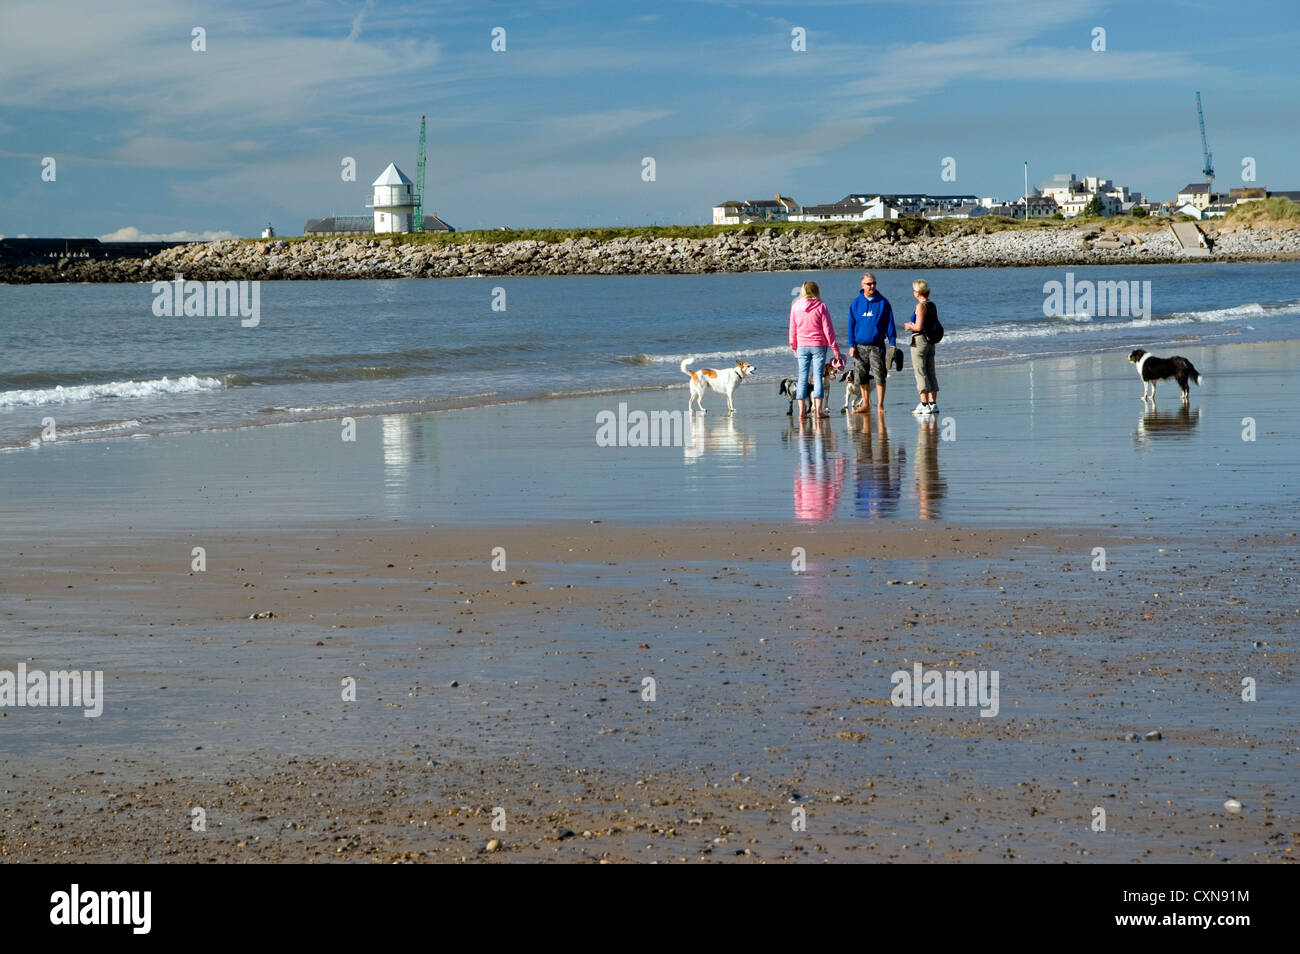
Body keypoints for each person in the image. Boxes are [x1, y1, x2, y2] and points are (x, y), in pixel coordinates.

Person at [788, 280, 843, 420]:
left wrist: (794, 347)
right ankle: (818, 411)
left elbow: (792, 330)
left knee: (802, 377)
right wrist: (835, 348)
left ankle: (801, 411)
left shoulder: (795, 307)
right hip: (818, 345)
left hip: (802, 346)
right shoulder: (821, 306)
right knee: (818, 377)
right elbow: (828, 330)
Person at [846, 273, 896, 415]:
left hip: (877, 345)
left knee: (880, 375)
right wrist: (851, 345)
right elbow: (851, 325)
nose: (872, 286)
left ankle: (880, 405)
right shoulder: (856, 303)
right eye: (869, 284)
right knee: (862, 377)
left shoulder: (883, 303)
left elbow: (890, 324)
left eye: (874, 283)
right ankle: (865, 403)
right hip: (860, 346)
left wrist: (893, 344)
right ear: (862, 286)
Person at [903, 278, 939, 415]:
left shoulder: (921, 306)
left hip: (920, 341)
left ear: (917, 292)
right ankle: (933, 403)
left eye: (914, 290)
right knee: (930, 370)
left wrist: (909, 326)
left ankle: (924, 403)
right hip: (930, 342)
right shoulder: (932, 305)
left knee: (920, 371)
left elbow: (918, 326)